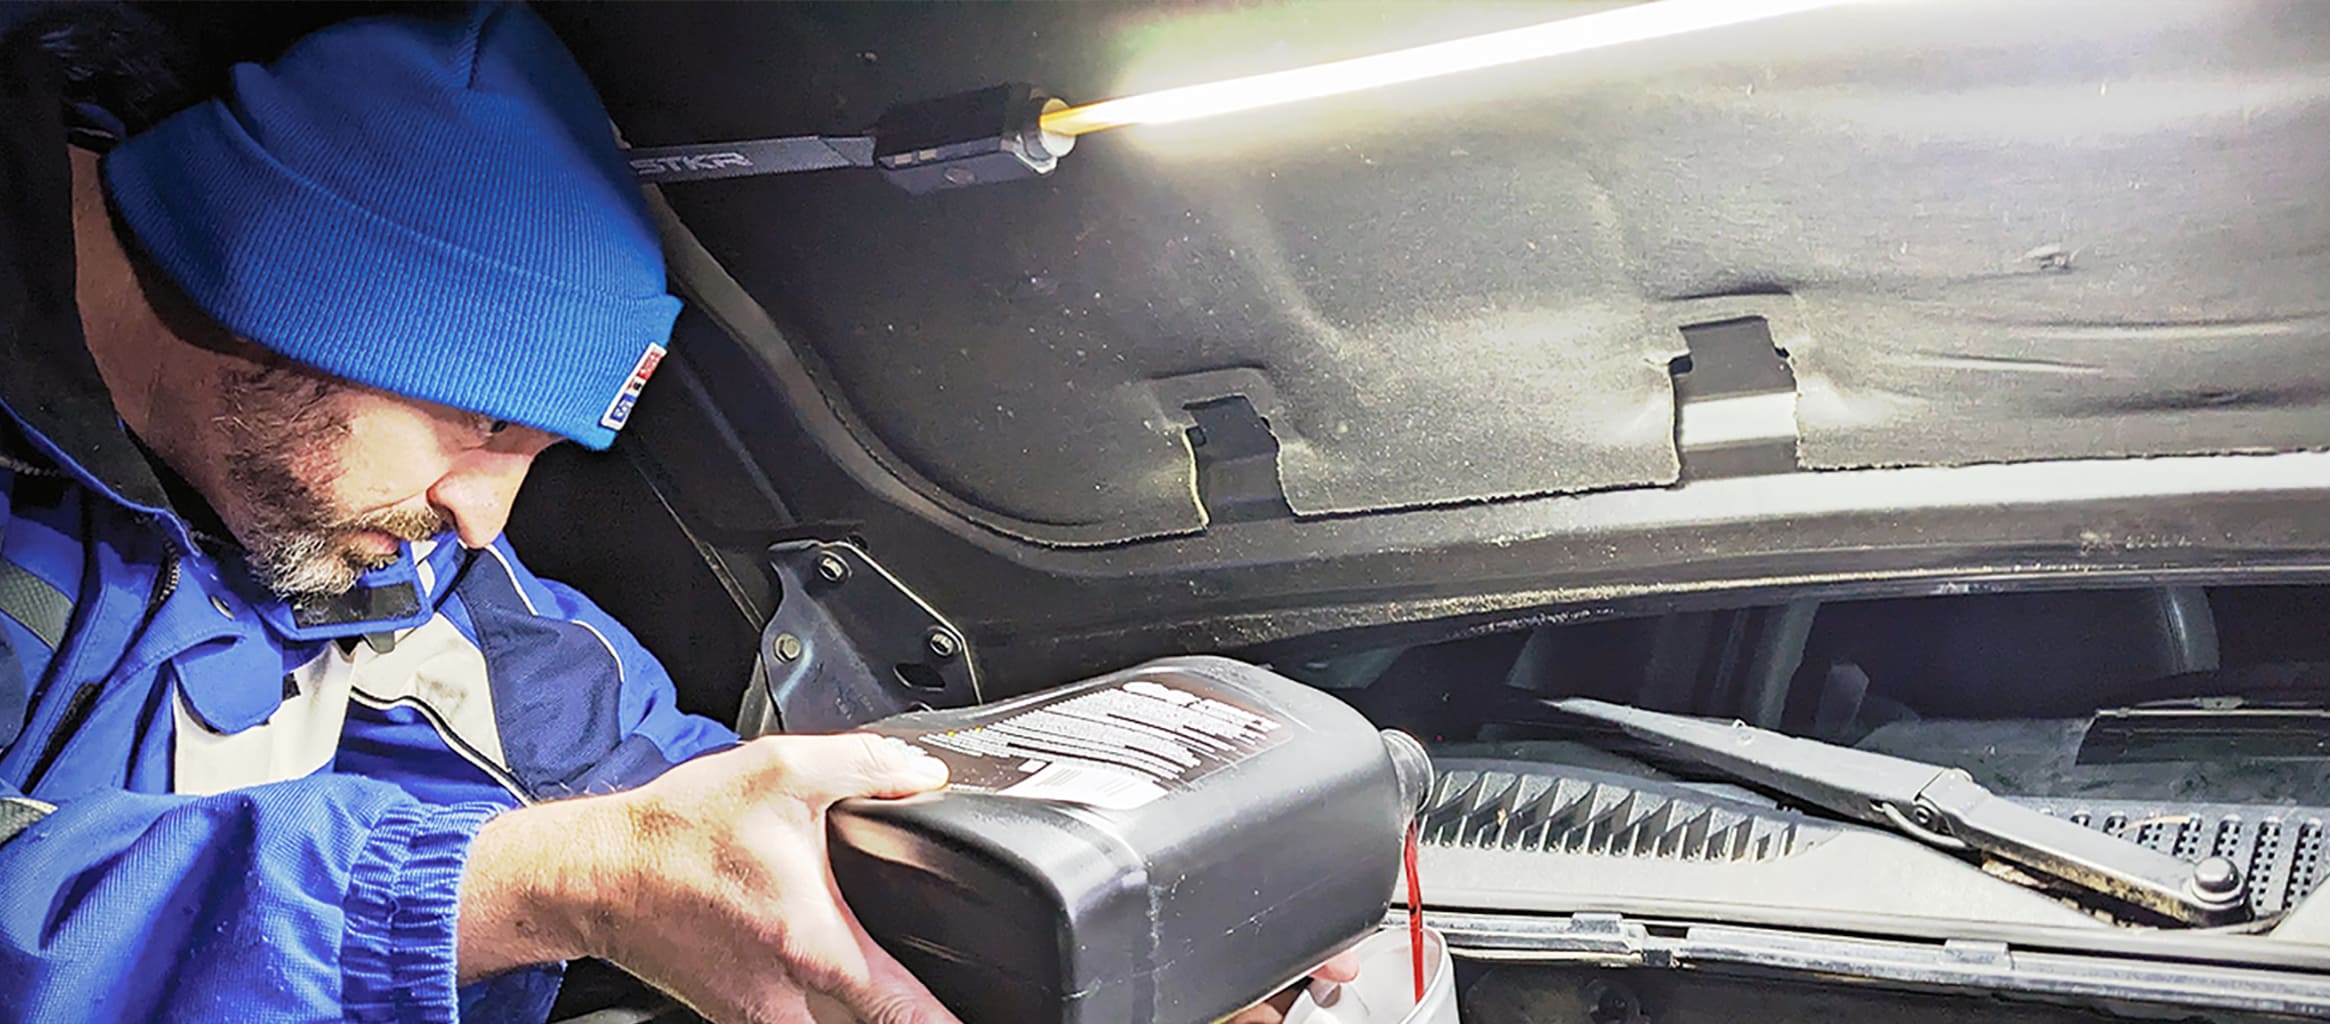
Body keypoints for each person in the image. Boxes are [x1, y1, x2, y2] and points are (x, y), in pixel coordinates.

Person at [0, 4, 1349, 1022]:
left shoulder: (375, 552)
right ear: (287, 296)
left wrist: (1091, 917)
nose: (482, 522)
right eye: (486, 428)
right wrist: (538, 885)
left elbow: (655, 788)